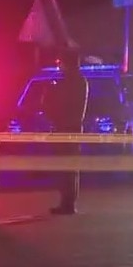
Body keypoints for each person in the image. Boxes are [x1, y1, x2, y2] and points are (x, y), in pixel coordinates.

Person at [44, 49, 89, 215]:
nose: (59, 65)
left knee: (66, 168)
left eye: (61, 62)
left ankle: (67, 203)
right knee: (70, 167)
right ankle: (67, 202)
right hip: (72, 128)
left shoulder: (71, 81)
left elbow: (61, 106)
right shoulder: (79, 81)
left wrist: (50, 94)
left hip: (66, 129)